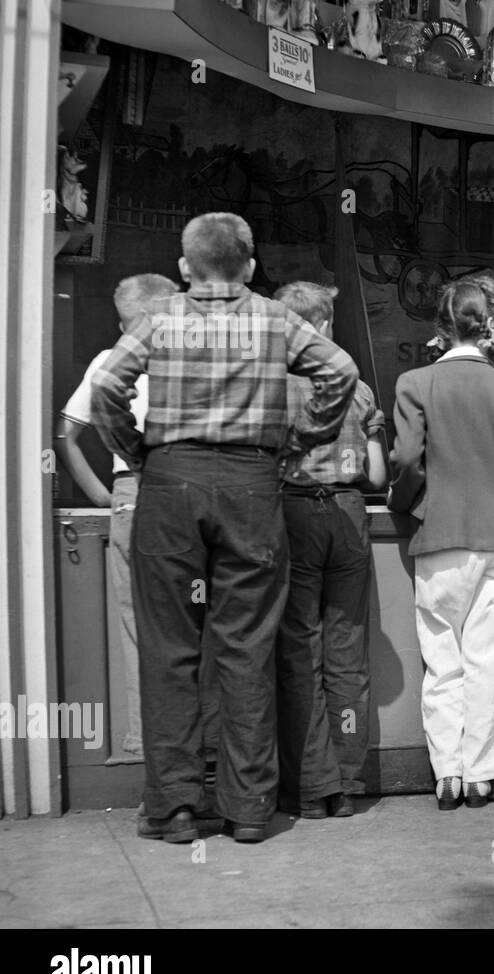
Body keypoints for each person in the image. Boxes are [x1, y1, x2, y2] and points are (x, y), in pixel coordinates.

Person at [90, 212, 358, 844]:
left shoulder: (159, 318)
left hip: (170, 486)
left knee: (169, 649)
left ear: (185, 267)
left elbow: (107, 383)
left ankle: (175, 806)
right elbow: (340, 371)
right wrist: (301, 437)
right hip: (252, 487)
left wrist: (137, 452)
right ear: (252, 262)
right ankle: (248, 809)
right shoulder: (275, 318)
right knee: (246, 648)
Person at [389, 280, 494, 809]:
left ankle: (448, 775)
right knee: (487, 658)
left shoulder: (414, 383)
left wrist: (406, 504)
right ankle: (482, 774)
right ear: (491, 328)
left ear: (441, 326)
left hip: (439, 533)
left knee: (443, 659)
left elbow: (406, 461)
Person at [273, 282, 387, 820]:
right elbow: (378, 473)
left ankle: (311, 786)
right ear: (321, 327)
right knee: (348, 654)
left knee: (301, 653)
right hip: (347, 516)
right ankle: (346, 780)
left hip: (292, 514)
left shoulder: (272, 385)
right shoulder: (358, 389)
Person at [56, 274, 179, 761]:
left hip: (132, 493)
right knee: (202, 623)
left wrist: (105, 496)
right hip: (189, 492)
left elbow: (65, 434)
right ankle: (204, 748)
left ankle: (150, 748)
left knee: (137, 627)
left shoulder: (109, 362)